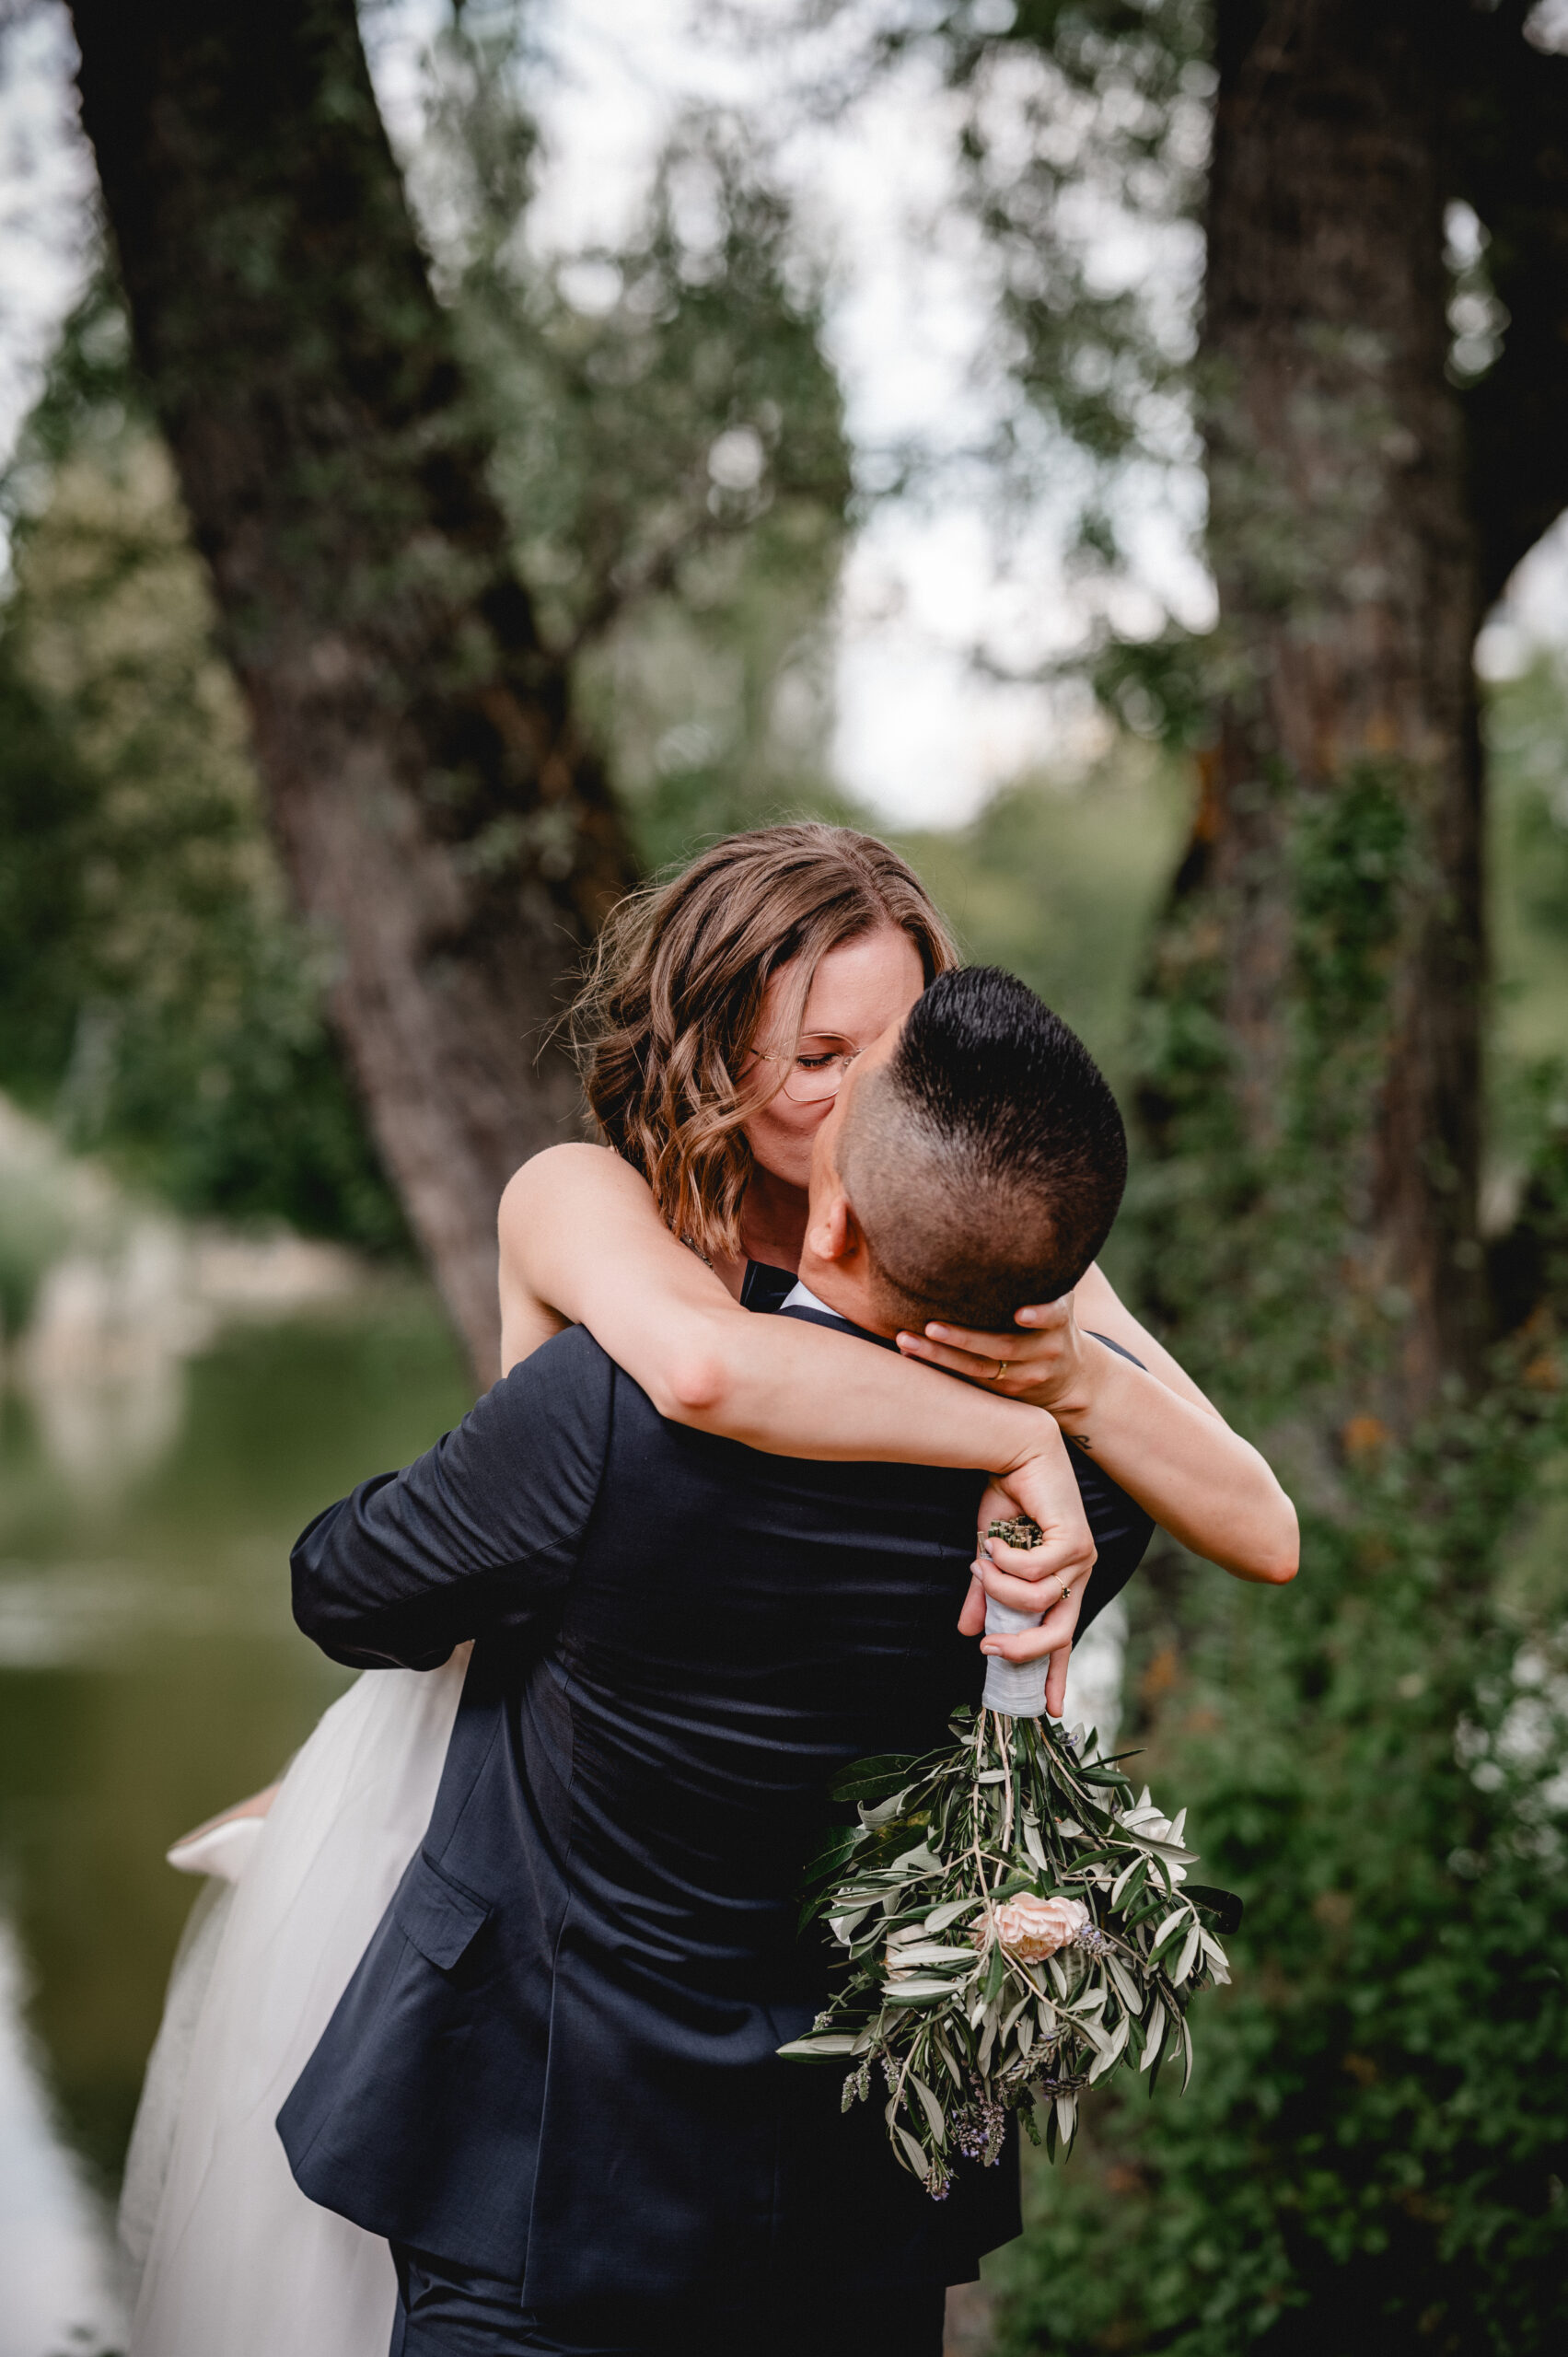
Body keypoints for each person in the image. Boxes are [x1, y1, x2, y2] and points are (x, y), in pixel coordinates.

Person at [120, 825, 1295, 2357]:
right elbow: (706, 1368)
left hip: (607, 2112)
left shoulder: (994, 1286)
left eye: (902, 1040)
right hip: (648, 2010)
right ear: (713, 1061)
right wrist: (1032, 1422)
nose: (873, 1090)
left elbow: (1260, 1515)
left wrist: (1066, 1373)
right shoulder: (627, 1242)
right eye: (819, 1053)